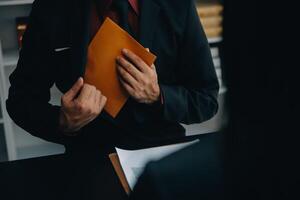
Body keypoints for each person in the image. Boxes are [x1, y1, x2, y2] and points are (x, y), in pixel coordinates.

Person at [6, 0, 218, 162]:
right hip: (88, 157)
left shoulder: (178, 5)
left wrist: (158, 95)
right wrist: (62, 121)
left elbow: (206, 99)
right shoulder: (52, 7)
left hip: (161, 150)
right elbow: (20, 101)